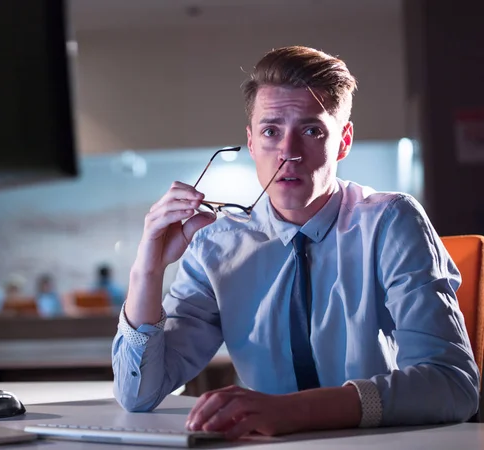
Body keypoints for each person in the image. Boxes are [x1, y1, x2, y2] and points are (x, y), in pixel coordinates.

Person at [111, 46, 479, 439]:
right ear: (251, 143)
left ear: (343, 141)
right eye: (271, 131)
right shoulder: (216, 246)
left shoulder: (391, 222)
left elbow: (452, 385)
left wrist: (292, 411)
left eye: (311, 130)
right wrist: (147, 269)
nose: (288, 153)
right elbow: (138, 395)